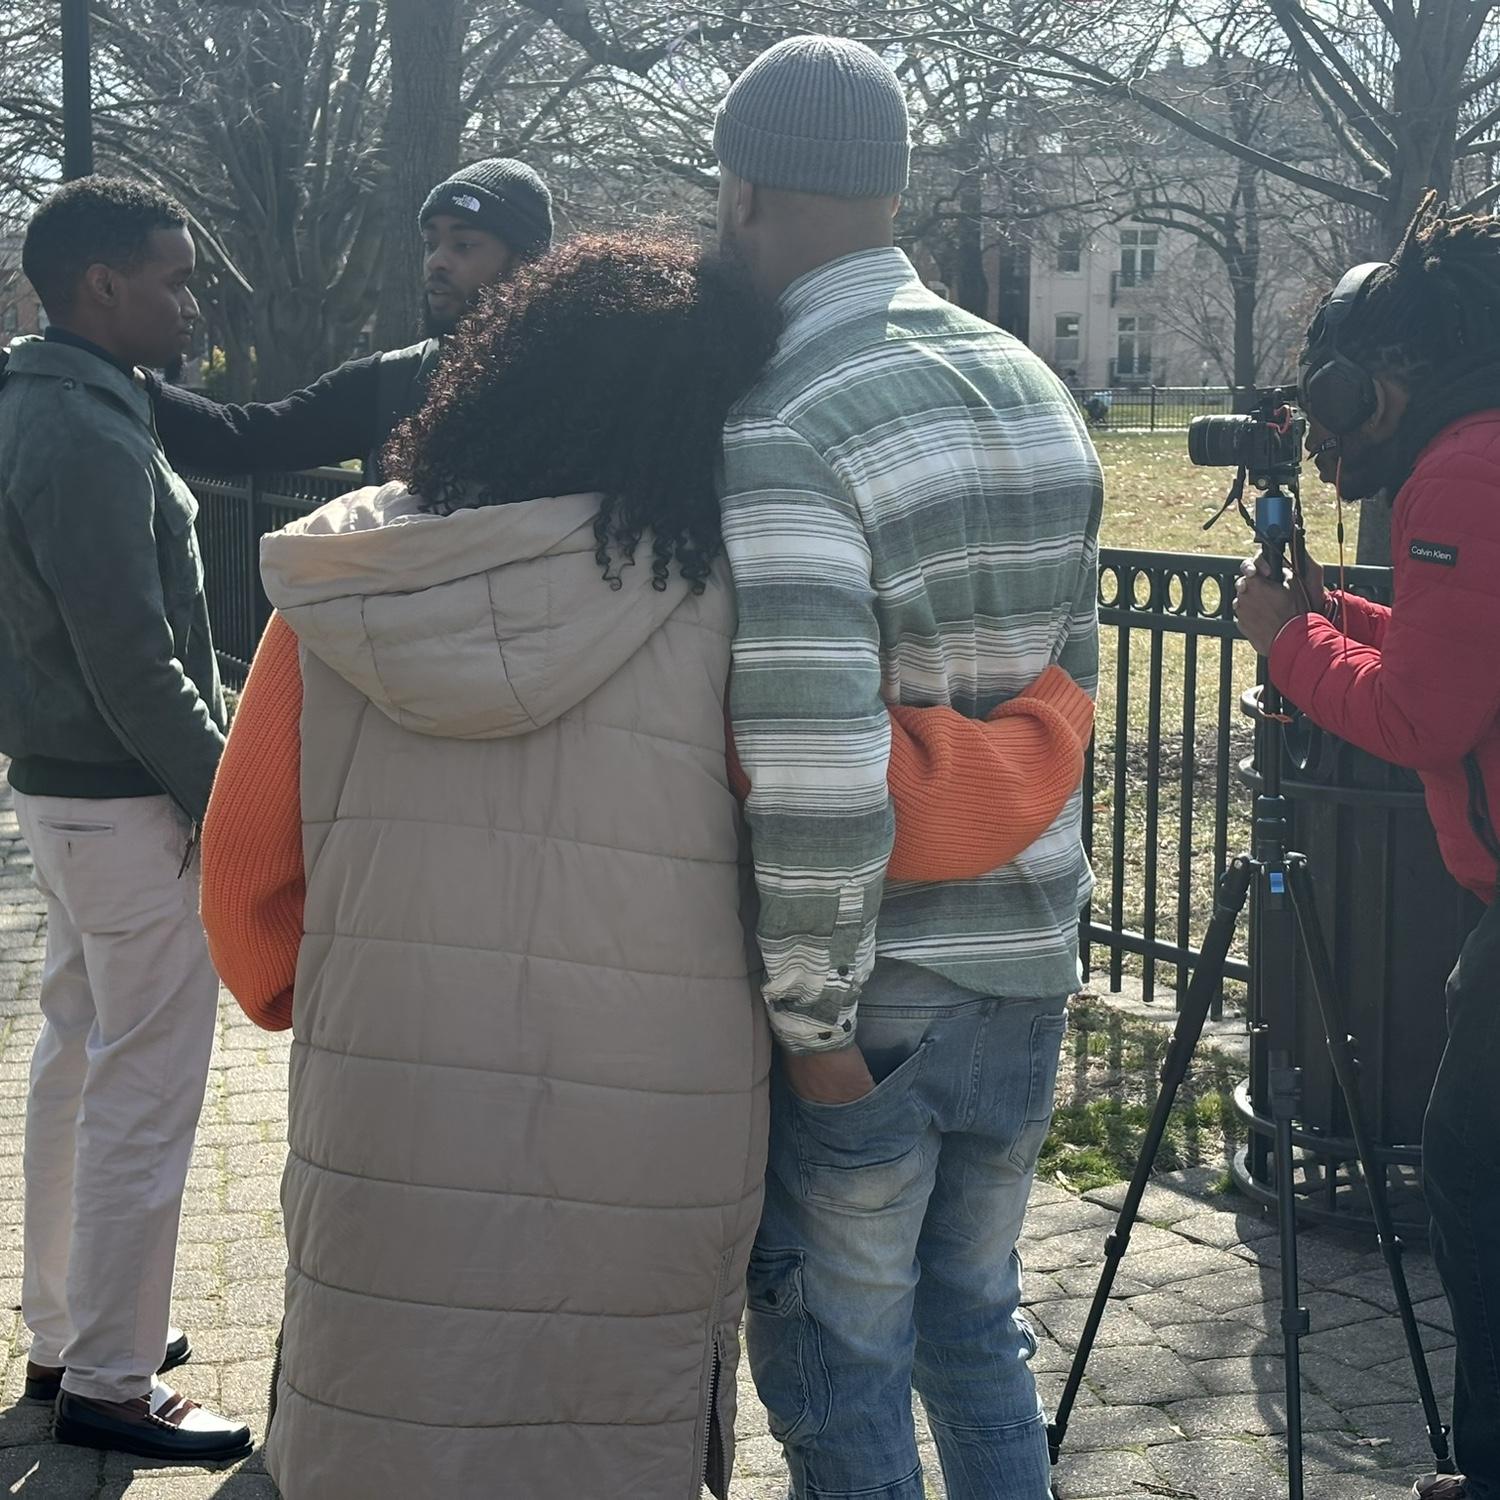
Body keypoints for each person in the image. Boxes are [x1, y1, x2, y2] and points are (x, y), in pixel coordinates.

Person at [196, 228, 1097, 1499]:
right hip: (652, 1125)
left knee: (387, 1419)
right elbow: (897, 805)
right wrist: (1051, 725)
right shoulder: (705, 597)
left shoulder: (338, 585)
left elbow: (245, 904)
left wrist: (364, 1003)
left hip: (386, 1103)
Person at [714, 35, 1102, 1500]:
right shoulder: (1033, 384)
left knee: (841, 1360)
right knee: (977, 1327)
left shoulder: (785, 416)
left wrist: (811, 1028)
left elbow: (814, 764)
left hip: (870, 998)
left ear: (745, 193)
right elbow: (1067, 704)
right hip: (1027, 962)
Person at [1234, 196, 1500, 1500]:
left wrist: (1287, 640)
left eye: (1328, 396)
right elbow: (1462, 650)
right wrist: (1333, 612)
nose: (1323, 429)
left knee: (1472, 1172)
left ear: (1384, 378)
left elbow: (1422, 716)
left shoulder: (1460, 470)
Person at [0, 178, 250, 1462]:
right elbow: (134, 660)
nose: (191, 303)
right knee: (142, 1088)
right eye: (175, 278)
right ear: (103, 284)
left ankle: (71, 1334)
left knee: (78, 1061)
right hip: (122, 803)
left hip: (65, 794)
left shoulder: (43, 400)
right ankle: (107, 1379)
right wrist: (230, 801)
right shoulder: (85, 428)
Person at [145, 158, 553, 480]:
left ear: (527, 262)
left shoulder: (578, 380)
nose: (436, 262)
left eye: (463, 245)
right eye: (431, 243)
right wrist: (132, 385)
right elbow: (248, 439)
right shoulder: (394, 382)